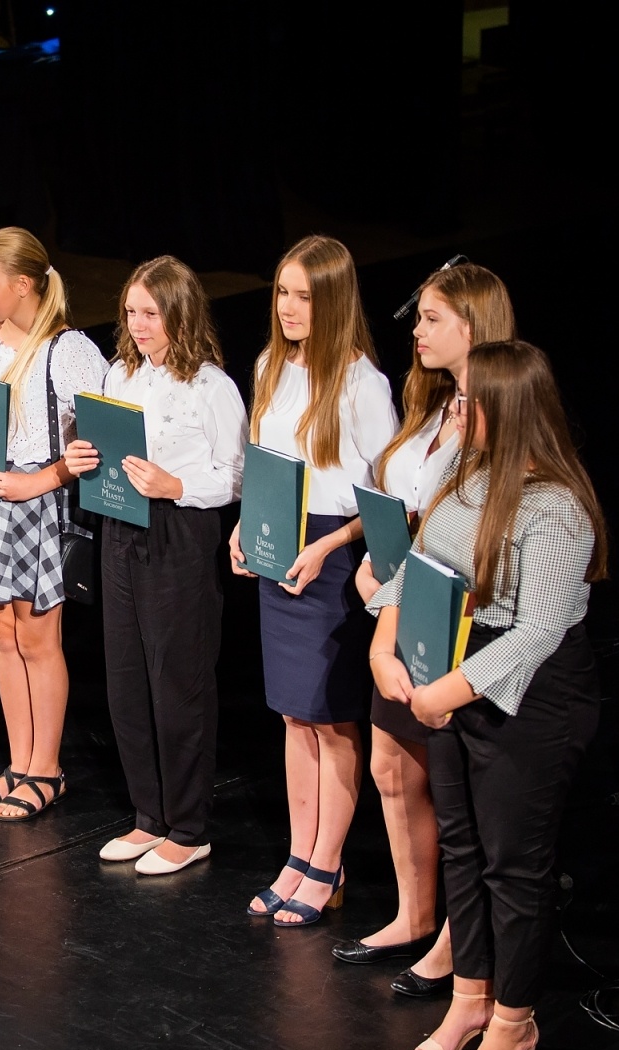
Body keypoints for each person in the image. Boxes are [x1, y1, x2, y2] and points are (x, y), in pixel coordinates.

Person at [368, 339, 606, 1050]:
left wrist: (450, 689)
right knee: (464, 851)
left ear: (508, 409)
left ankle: (514, 1022)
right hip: (457, 671)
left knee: (513, 863)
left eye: (471, 402)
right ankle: (469, 998)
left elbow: (536, 630)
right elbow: (416, 567)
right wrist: (384, 646)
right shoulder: (465, 479)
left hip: (530, 696)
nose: (458, 409)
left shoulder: (557, 508)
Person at [331, 263, 516, 998]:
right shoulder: (433, 403)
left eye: (433, 318)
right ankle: (415, 914)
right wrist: (381, 573)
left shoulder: (500, 412)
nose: (417, 331)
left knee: (448, 781)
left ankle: (456, 942)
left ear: (473, 325)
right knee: (391, 767)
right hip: (403, 606)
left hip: (459, 615)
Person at [229, 235, 396, 925]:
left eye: (305, 296)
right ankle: (299, 857)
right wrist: (244, 526)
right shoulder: (271, 363)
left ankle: (328, 863)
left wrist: (328, 546)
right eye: (283, 292)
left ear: (333, 302)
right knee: (294, 715)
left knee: (332, 718)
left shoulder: (362, 384)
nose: (290, 307)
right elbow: (262, 460)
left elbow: (384, 501)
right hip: (280, 548)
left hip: (328, 562)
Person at [64, 256, 247, 874]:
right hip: (120, 529)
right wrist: (83, 457)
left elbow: (235, 476)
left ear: (181, 314)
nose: (139, 325)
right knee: (126, 679)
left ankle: (189, 827)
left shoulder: (211, 386)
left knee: (178, 683)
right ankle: (149, 817)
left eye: (152, 313)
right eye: (132, 313)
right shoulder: (121, 375)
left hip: (179, 534)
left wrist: (177, 485)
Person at [0, 226, 107, 816]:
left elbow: (97, 449)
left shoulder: (70, 351)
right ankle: (18, 761)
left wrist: (39, 480)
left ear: (24, 284)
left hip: (36, 502)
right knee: (3, 634)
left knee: (37, 637)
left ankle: (47, 768)